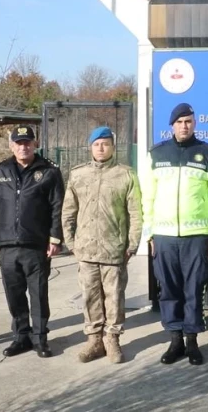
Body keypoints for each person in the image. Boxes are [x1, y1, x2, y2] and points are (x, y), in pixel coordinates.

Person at [140, 103, 208, 365]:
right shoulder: (155, 154)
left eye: (188, 121)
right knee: (169, 289)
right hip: (164, 236)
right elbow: (147, 196)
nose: (184, 126)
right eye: (179, 122)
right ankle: (175, 339)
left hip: (197, 236)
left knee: (193, 288)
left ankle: (192, 340)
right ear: (172, 126)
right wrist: (149, 233)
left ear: (195, 123)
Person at [0, 125, 65, 358]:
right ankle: (21, 337)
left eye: (27, 142)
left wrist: (55, 238)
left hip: (36, 244)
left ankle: (40, 339)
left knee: (38, 293)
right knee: (14, 293)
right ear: (11, 146)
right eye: (19, 143)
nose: (23, 146)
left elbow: (57, 207)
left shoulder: (49, 171)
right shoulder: (0, 172)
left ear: (35, 144)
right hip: (7, 244)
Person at [62, 126, 142, 364]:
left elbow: (136, 213)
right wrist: (71, 242)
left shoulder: (126, 175)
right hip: (86, 248)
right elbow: (68, 210)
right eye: (97, 144)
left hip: (114, 248)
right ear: (90, 147)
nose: (101, 148)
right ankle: (94, 339)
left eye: (105, 143)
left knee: (114, 296)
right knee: (89, 296)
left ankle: (112, 338)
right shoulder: (78, 175)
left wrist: (132, 243)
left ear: (113, 147)